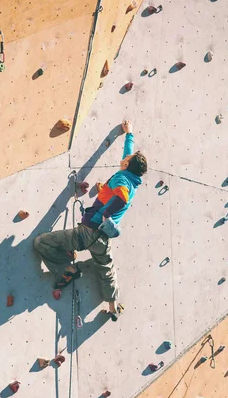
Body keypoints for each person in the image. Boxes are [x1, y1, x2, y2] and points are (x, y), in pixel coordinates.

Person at [33, 120, 147, 320]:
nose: (125, 157)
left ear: (127, 164)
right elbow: (126, 164)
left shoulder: (122, 180)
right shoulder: (131, 179)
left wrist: (104, 213)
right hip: (102, 237)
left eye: (127, 158)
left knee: (41, 243)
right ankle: (113, 307)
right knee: (106, 268)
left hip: (87, 231)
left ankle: (66, 268)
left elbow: (122, 197)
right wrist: (129, 134)